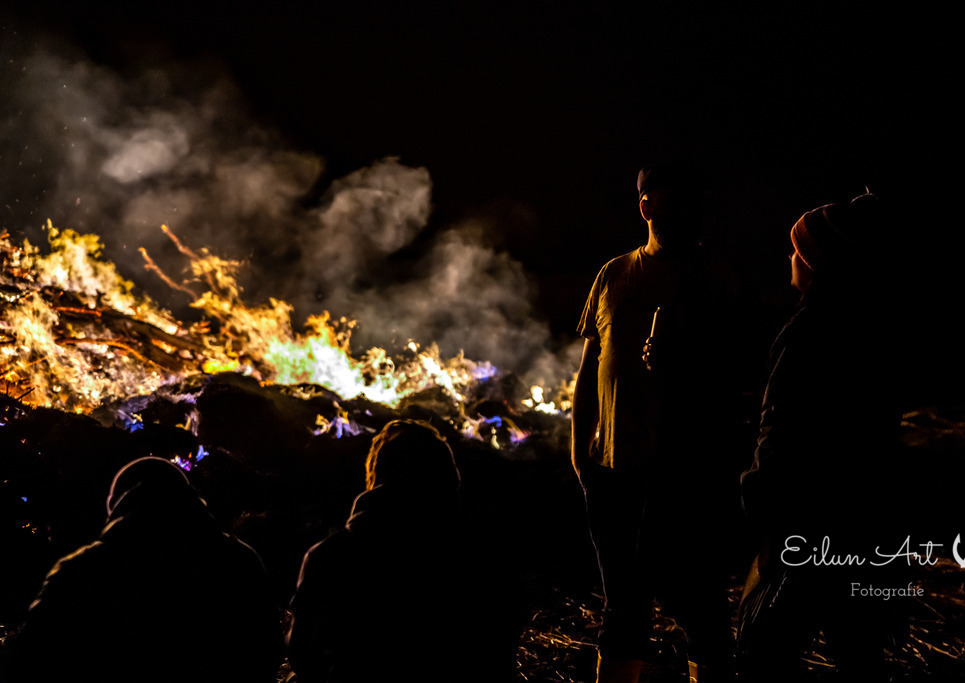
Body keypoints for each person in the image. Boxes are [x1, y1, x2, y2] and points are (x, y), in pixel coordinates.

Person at [572, 162, 740, 683]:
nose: (692, 211)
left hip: (687, 473)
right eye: (677, 200)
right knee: (623, 609)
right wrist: (581, 452)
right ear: (646, 206)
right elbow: (587, 370)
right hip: (614, 471)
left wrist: (687, 361)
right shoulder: (614, 273)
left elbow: (740, 376)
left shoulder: (719, 280)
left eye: (696, 201)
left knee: (700, 607)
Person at [736, 192, 908, 681]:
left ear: (816, 261)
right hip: (865, 517)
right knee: (858, 653)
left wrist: (759, 504)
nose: (789, 257)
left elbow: (783, 427)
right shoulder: (874, 326)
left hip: (806, 522)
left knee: (764, 653)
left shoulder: (810, 331)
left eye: (797, 249)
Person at [3, 456, 282, 683]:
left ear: (118, 507)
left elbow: (30, 658)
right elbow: (267, 651)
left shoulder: (85, 568)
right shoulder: (239, 561)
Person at [287, 419, 518, 683]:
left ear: (376, 477)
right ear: (450, 481)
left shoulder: (329, 557)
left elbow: (302, 656)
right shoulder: (489, 560)